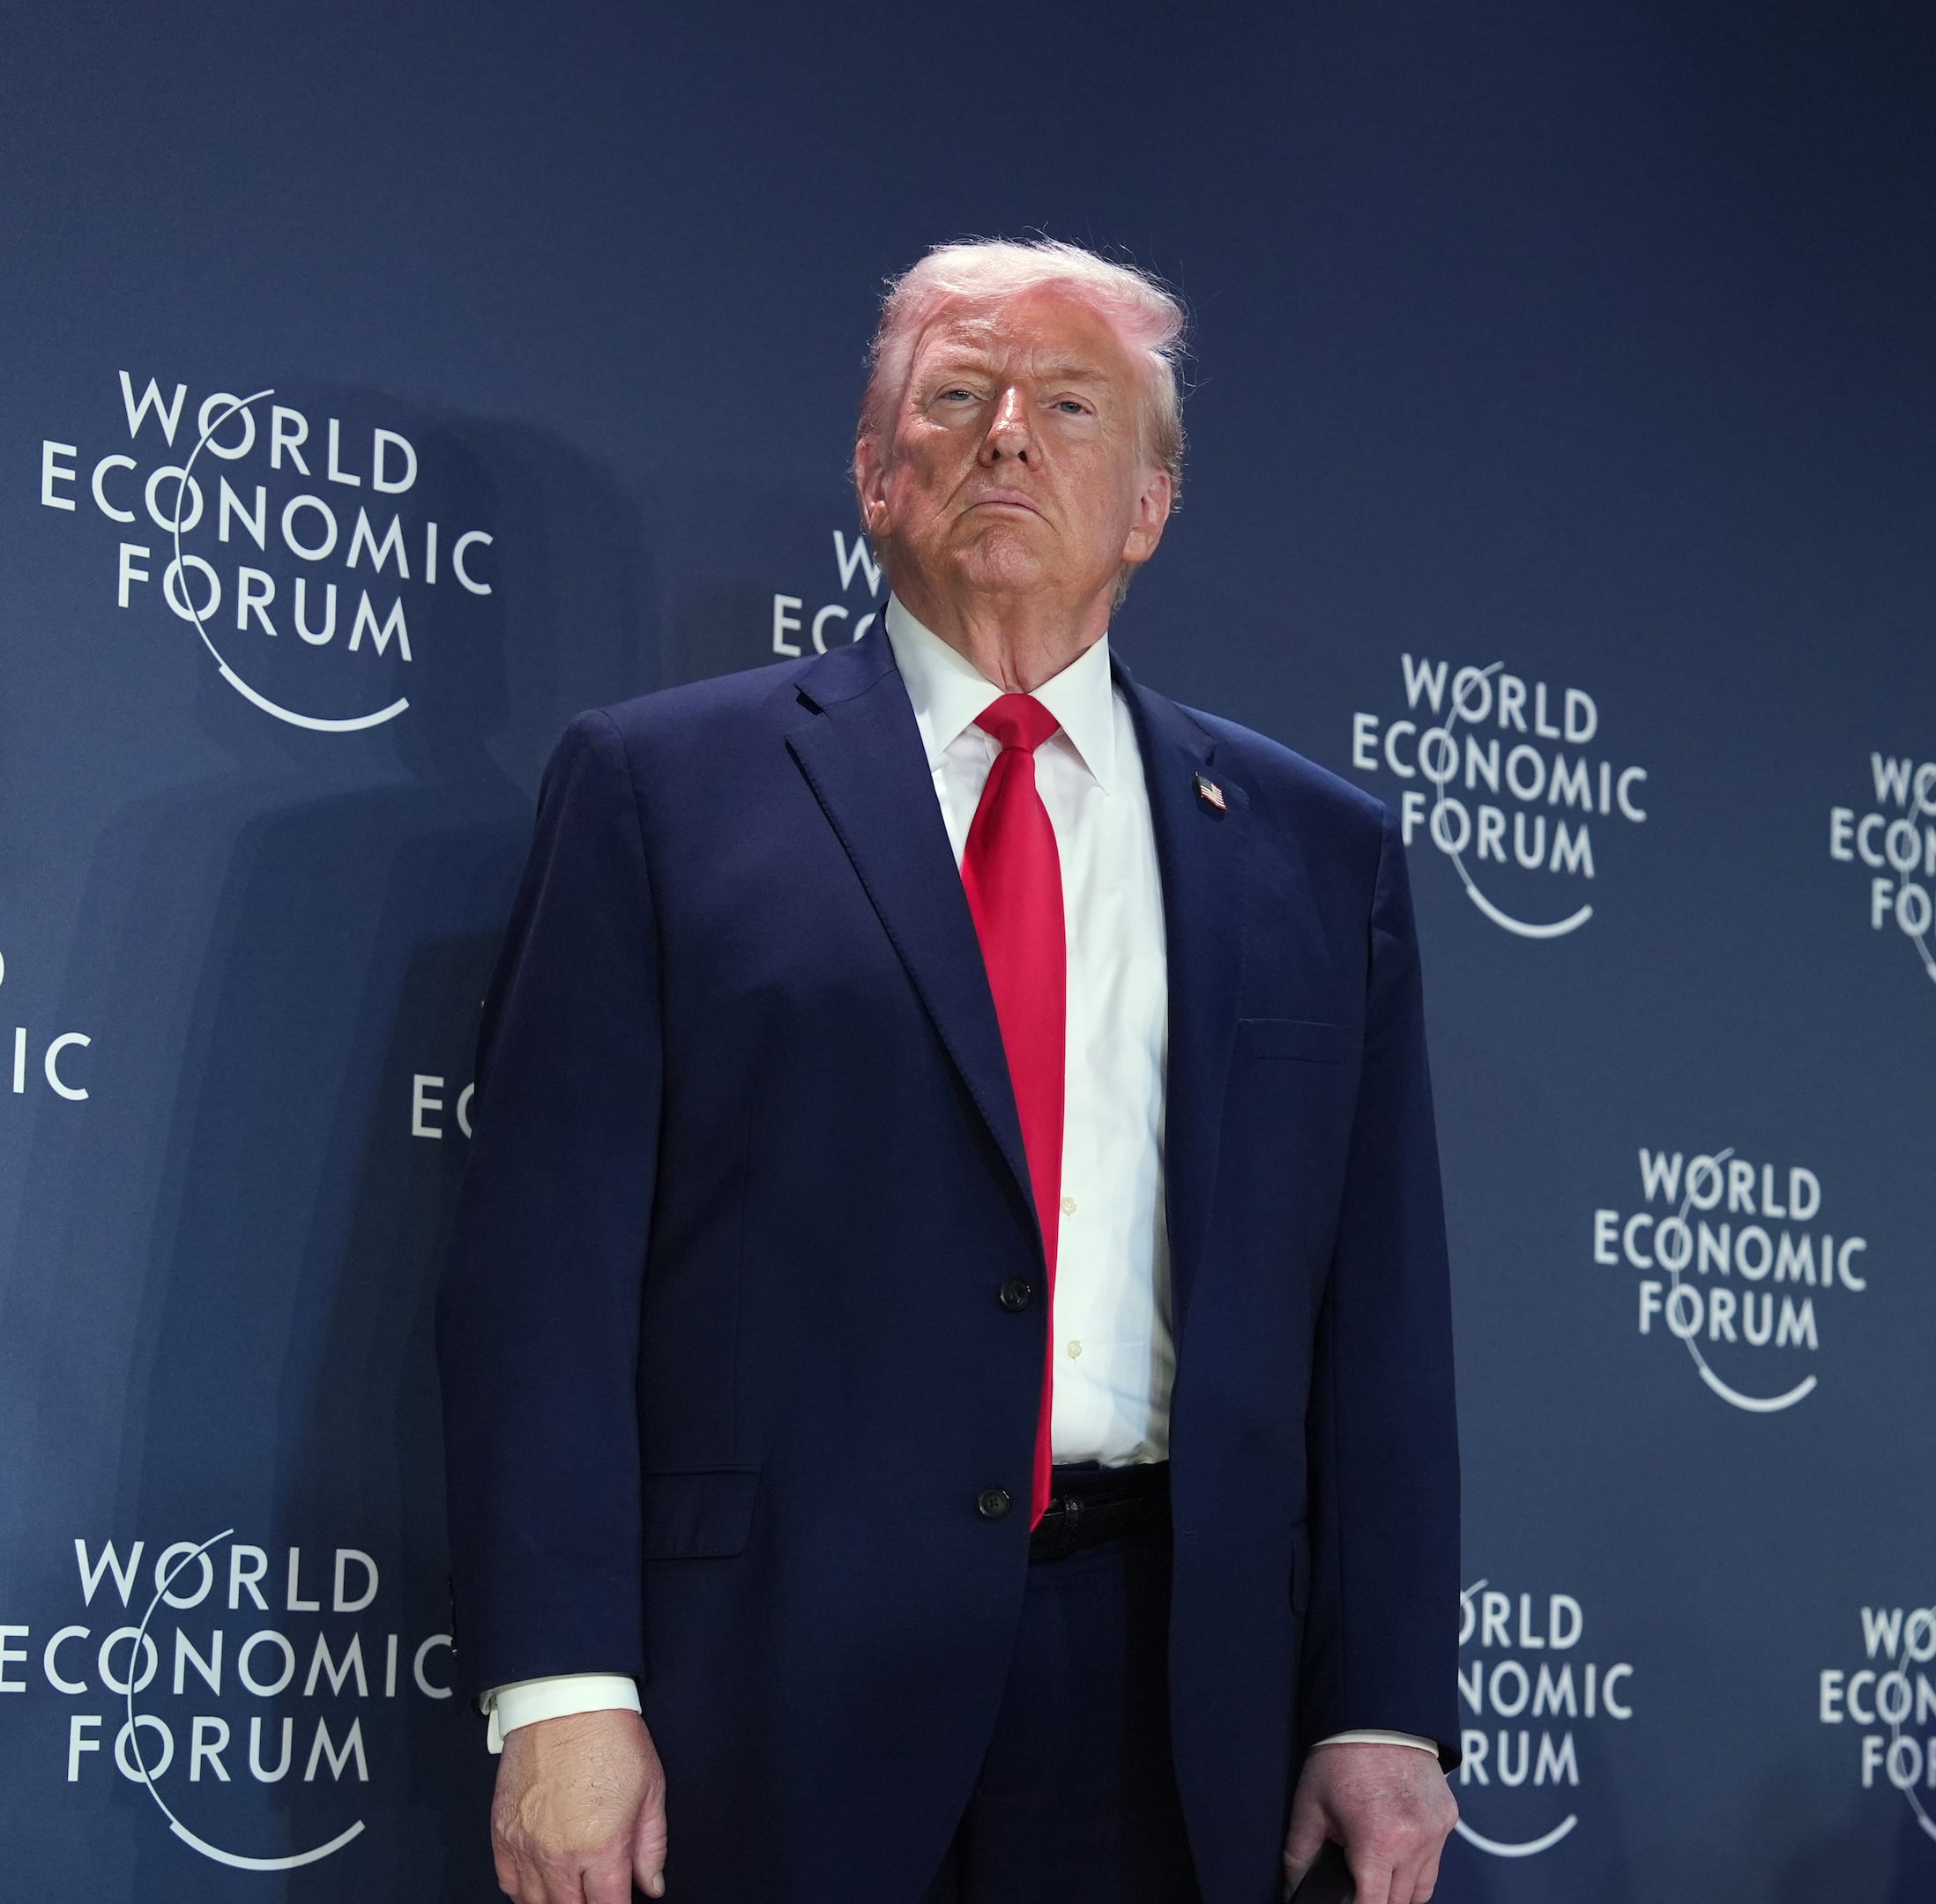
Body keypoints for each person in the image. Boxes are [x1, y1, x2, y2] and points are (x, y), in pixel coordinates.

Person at [436, 238, 1461, 1904]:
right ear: (875, 474)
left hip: (1174, 1693)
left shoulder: (1315, 851)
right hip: (764, 1674)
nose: (1008, 435)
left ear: (1149, 507)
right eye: (960, 394)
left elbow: (1380, 1317)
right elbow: (543, 1276)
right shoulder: (659, 789)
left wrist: (1385, 1703)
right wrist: (561, 1687)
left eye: (1071, 406)